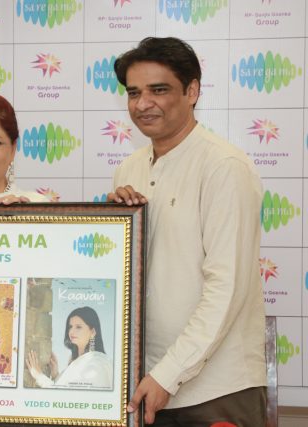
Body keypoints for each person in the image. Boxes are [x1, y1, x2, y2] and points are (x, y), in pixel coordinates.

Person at [108, 37, 266, 426]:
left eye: (158, 90)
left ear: (192, 91)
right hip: (145, 383)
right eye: (133, 92)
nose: (143, 104)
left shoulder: (224, 166)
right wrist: (112, 227)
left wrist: (168, 373)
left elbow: (225, 288)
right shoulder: (128, 170)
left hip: (216, 390)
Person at [26, 306, 112, 389]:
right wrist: (56, 375)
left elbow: (72, 398)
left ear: (92, 332)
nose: (71, 331)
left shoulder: (97, 364)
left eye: (78, 327)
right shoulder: (78, 361)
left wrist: (39, 376)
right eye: (70, 327)